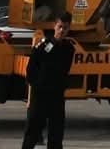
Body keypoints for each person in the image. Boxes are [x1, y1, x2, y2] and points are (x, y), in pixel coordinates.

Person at [21, 12, 75, 149]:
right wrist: (35, 88)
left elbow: (65, 71)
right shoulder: (44, 46)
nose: (62, 30)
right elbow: (31, 70)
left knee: (56, 134)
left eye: (65, 28)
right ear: (54, 26)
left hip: (56, 97)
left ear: (69, 29)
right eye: (60, 26)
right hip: (40, 96)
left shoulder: (69, 49)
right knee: (32, 132)